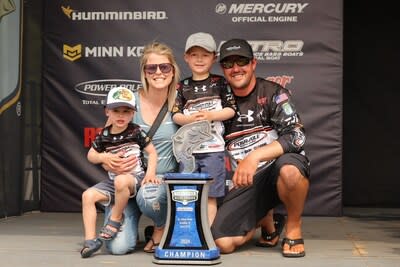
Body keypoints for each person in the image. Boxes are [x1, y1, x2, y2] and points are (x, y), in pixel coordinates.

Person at [210, 38, 310, 258]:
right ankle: (265, 217)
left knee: (290, 170)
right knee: (222, 243)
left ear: (253, 63)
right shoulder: (217, 99)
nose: (236, 69)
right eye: (228, 64)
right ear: (222, 68)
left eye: (242, 62)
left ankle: (293, 227)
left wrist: (254, 156)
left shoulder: (274, 92)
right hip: (243, 181)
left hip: (275, 171)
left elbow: (297, 136)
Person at [101, 41, 181, 255]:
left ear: (173, 71)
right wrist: (105, 160)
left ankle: (160, 227)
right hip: (128, 182)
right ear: (144, 73)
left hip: (160, 181)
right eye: (151, 68)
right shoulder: (128, 103)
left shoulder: (180, 104)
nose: (158, 72)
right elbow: (105, 142)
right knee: (118, 248)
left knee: (149, 195)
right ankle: (129, 221)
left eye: (164, 67)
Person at [81, 86, 158, 258]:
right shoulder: (104, 135)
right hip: (114, 182)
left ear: (133, 113)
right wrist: (104, 158)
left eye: (126, 111)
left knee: (122, 180)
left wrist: (150, 174)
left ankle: (115, 219)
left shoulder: (136, 131)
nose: (121, 115)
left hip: (134, 179)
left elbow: (152, 152)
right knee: (88, 195)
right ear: (107, 112)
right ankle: (90, 240)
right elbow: (91, 155)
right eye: (116, 111)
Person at [171, 32, 236, 225]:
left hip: (213, 151)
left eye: (205, 55)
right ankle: (188, 233)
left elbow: (231, 110)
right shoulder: (181, 87)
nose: (199, 59)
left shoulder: (221, 83)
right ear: (186, 57)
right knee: (186, 195)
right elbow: (175, 114)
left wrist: (211, 116)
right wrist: (189, 120)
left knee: (210, 196)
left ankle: (207, 237)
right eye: (194, 54)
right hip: (187, 153)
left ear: (214, 57)